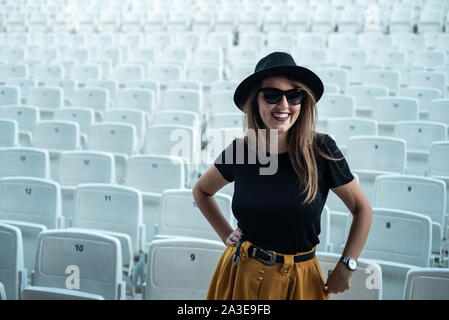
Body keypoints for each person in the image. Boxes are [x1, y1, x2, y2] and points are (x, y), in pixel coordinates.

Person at [192, 52, 372, 300]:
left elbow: (362, 209)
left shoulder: (322, 149)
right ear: (256, 101)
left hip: (300, 280)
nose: (284, 105)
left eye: (294, 95)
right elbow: (202, 191)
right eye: (272, 95)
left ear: (303, 101)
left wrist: (347, 264)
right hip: (241, 277)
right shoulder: (240, 150)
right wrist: (225, 233)